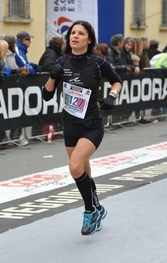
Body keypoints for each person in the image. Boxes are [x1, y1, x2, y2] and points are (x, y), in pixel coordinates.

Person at [42, 20, 122, 235]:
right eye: (72, 33)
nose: (75, 36)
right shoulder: (61, 62)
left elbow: (117, 81)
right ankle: (97, 206)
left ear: (89, 39)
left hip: (92, 124)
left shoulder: (97, 62)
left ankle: (90, 212)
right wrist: (52, 75)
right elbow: (47, 95)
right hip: (70, 124)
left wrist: (112, 96)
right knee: (83, 169)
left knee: (75, 167)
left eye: (80, 33)